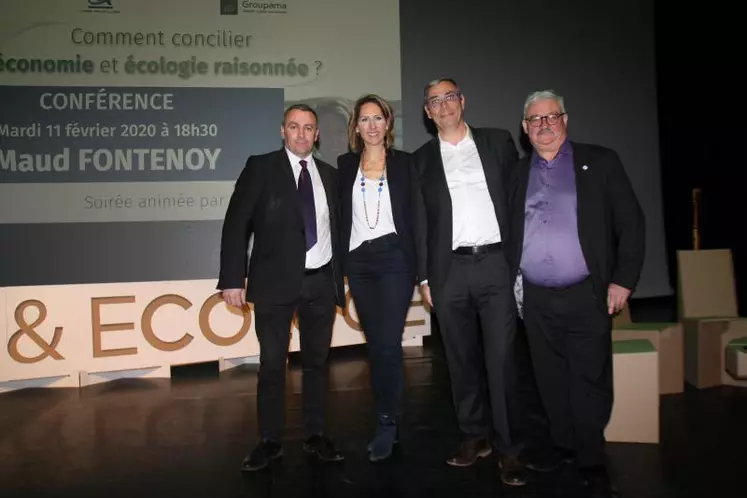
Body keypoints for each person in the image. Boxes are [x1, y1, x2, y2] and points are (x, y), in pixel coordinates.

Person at [507, 89, 645, 497]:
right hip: (534, 297)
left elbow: (631, 224)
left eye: (551, 117)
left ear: (565, 120)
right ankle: (563, 446)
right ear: (524, 128)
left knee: (589, 377)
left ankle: (591, 456)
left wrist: (623, 280)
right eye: (535, 119)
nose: (544, 125)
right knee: (548, 378)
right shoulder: (516, 173)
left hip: (588, 293)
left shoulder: (600, 162)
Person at [217, 103, 346, 472]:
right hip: (274, 284)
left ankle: (316, 435)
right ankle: (269, 441)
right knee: (272, 364)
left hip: (321, 282)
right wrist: (231, 278)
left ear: (317, 134)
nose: (302, 134)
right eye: (294, 126)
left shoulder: (330, 175)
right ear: (282, 131)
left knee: (317, 365)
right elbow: (236, 223)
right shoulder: (260, 167)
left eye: (308, 128)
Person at [412, 78, 528, 487]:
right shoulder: (420, 160)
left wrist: (520, 262)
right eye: (434, 101)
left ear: (462, 101)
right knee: (460, 362)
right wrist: (425, 276)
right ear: (427, 112)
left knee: (501, 361)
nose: (443, 106)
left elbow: (518, 203)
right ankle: (474, 437)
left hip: (496, 265)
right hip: (449, 273)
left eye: (449, 97)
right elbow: (420, 224)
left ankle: (510, 449)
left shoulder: (497, 142)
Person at [337, 94, 420, 462]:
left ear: (388, 124)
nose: (371, 125)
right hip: (359, 262)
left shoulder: (406, 164)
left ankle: (387, 422)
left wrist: (426, 270)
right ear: (356, 126)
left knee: (387, 343)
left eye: (378, 118)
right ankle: (390, 418)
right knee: (377, 344)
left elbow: (419, 216)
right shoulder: (343, 166)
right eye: (364, 119)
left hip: (395, 259)